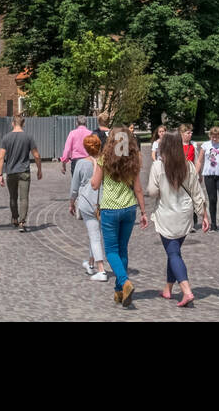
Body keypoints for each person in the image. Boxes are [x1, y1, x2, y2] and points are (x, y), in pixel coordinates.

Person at [146, 131, 209, 307]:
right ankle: (168, 289)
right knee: (174, 252)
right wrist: (204, 215)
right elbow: (197, 193)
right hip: (185, 215)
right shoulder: (188, 166)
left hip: (166, 215)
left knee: (173, 253)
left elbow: (152, 192)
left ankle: (187, 291)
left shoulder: (158, 167)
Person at [91, 126, 149, 307]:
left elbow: (94, 184)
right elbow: (138, 188)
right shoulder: (134, 160)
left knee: (111, 251)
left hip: (109, 209)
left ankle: (125, 282)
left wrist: (95, 166)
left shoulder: (104, 159)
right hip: (129, 208)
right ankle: (119, 291)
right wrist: (143, 211)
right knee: (122, 250)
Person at [69, 134, 109, 281]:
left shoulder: (81, 163)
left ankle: (101, 269)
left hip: (87, 201)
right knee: (96, 233)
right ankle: (90, 263)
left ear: (85, 147)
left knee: (94, 235)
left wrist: (71, 202)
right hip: (104, 200)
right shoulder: (105, 161)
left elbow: (74, 187)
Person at [0, 115, 42, 231]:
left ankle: (15, 218)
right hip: (24, 171)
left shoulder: (6, 138)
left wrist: (0, 174)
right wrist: (39, 170)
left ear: (12, 123)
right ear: (23, 124)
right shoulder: (28, 137)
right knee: (24, 198)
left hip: (11, 171)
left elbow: (1, 157)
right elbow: (36, 155)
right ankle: (22, 222)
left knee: (13, 197)